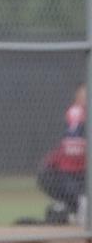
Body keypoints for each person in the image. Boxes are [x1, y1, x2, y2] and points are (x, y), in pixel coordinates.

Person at [36, 83, 86, 224]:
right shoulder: (74, 113)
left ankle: (71, 211)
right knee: (77, 200)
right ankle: (71, 211)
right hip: (64, 172)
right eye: (83, 95)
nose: (86, 98)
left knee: (80, 201)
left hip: (81, 173)